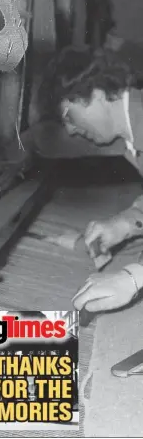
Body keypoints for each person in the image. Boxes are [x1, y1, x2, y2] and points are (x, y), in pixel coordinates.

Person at [49, 45, 143, 313]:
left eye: (68, 115)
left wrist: (133, 277)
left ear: (97, 94)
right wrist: (127, 221)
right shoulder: (132, 138)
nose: (70, 129)